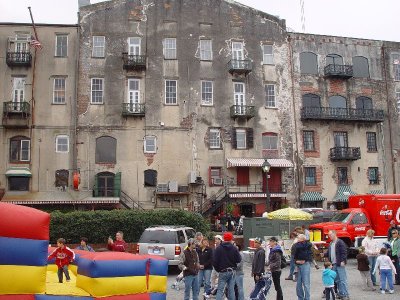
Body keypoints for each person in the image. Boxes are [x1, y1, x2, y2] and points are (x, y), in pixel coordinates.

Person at [212, 231, 241, 300]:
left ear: (223, 239)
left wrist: (218, 269)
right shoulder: (234, 248)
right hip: (232, 271)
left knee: (220, 290)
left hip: (222, 271)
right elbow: (239, 259)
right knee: (231, 290)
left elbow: (214, 261)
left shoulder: (219, 248)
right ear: (231, 239)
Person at [323, 230, 349, 300]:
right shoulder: (331, 243)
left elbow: (344, 252)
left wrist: (343, 261)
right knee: (337, 280)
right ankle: (340, 294)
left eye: (330, 235)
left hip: (339, 263)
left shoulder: (340, 242)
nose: (329, 236)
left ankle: (345, 294)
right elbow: (329, 253)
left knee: (342, 279)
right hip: (333, 264)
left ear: (334, 234)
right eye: (329, 235)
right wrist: (324, 254)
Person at [292, 233, 312, 300]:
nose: (297, 238)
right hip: (299, 265)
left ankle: (307, 298)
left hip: (305, 264)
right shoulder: (298, 245)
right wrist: (296, 261)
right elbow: (294, 255)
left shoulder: (305, 245)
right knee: (299, 284)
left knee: (306, 283)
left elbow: (309, 255)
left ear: (303, 239)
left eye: (298, 238)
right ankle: (301, 298)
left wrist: (302, 260)